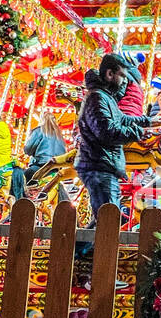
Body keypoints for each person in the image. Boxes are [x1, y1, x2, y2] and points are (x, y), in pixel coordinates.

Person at [75, 53, 153, 218]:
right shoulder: (97, 98)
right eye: (122, 76)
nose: (125, 81)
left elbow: (122, 118)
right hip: (99, 165)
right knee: (107, 221)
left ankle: (79, 245)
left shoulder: (106, 97)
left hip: (105, 165)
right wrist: (138, 132)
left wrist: (147, 121)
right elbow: (106, 131)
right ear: (110, 74)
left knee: (105, 221)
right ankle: (78, 245)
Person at [22, 110, 66, 178]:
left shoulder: (39, 131)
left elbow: (28, 149)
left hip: (40, 166)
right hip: (55, 170)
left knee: (20, 179)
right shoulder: (59, 135)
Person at [116, 52, 146, 117]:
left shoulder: (124, 76)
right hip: (135, 114)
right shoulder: (137, 83)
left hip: (123, 111)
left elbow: (119, 93)